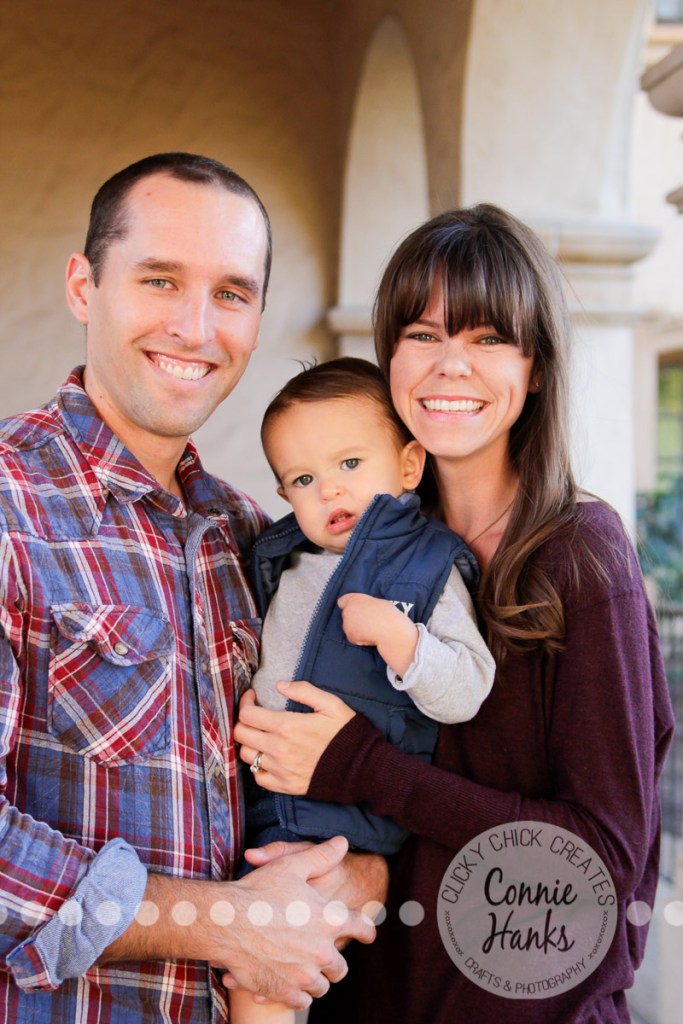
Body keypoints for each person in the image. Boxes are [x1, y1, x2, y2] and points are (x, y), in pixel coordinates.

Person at [234, 203, 675, 1023]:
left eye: (486, 339)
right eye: (423, 335)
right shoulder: (338, 549)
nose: (450, 367)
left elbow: (599, 865)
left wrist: (360, 767)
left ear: (535, 367)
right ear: (389, 352)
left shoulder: (579, 556)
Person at [0, 152, 378, 1024]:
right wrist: (219, 925)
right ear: (83, 286)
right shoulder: (12, 508)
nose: (196, 328)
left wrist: (357, 869)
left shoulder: (254, 538)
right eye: (161, 280)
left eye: (232, 294)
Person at [229, 357, 495, 1024]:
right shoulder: (280, 555)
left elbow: (467, 686)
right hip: (267, 802)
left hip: (346, 813)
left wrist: (402, 641)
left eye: (350, 464)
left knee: (263, 971)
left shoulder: (426, 565)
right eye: (304, 479)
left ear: (408, 467)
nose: (329, 492)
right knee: (257, 958)